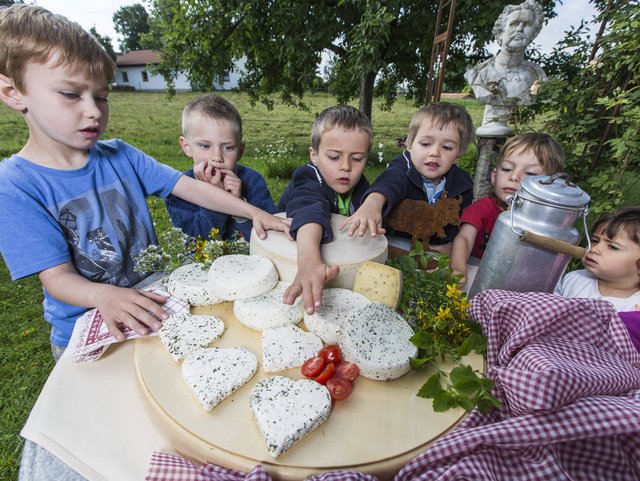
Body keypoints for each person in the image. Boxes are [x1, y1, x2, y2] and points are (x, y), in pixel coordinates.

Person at [0, 4, 288, 360]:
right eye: (71, 94)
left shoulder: (121, 154)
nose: (93, 110)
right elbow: (55, 276)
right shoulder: (15, 184)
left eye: (101, 96)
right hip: (89, 324)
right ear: (14, 92)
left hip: (154, 304)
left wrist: (256, 214)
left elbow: (191, 189)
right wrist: (102, 296)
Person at [342, 102, 475, 255]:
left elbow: (459, 223)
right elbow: (389, 182)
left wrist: (453, 244)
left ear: (458, 154)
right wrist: (372, 204)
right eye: (425, 144)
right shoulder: (403, 167)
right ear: (410, 144)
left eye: (447, 147)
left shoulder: (462, 185)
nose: (434, 152)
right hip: (392, 248)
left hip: (434, 256)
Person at [277, 105, 372, 314]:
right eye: (334, 157)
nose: (346, 166)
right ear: (314, 155)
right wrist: (308, 259)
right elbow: (309, 208)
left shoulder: (362, 186)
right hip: (295, 260)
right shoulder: (308, 177)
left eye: (357, 158)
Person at [451, 132, 565, 286]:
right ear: (494, 175)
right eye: (506, 168)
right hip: (473, 276)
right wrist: (458, 269)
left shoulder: (546, 226)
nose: (514, 177)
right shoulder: (483, 208)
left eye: (530, 173)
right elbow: (464, 238)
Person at [165, 94, 276, 241]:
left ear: (240, 151)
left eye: (228, 147)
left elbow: (268, 237)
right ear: (186, 146)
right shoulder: (179, 189)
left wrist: (239, 206)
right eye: (205, 146)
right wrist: (215, 195)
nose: (217, 157)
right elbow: (194, 245)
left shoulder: (253, 181)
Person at [464, 0, 546, 136]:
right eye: (514, 24)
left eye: (526, 24)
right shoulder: (478, 73)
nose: (520, 29)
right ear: (501, 33)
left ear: (534, 33)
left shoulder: (537, 75)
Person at [555, 207, 640, 312]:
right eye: (594, 240)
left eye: (613, 247)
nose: (594, 249)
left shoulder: (635, 308)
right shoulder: (574, 279)